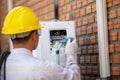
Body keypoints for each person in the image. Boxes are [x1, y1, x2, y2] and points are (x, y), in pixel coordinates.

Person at [1, 6, 80, 80]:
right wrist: (70, 54)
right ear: (34, 36)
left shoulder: (3, 64)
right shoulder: (44, 68)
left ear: (11, 36)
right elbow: (75, 77)